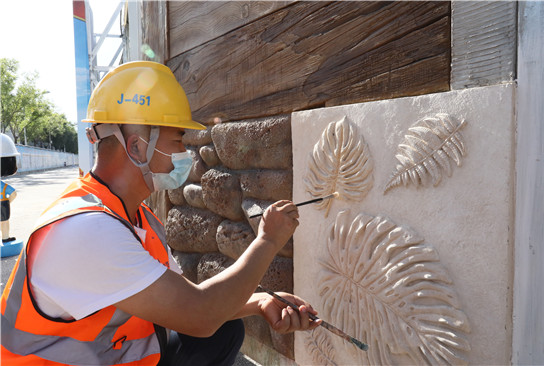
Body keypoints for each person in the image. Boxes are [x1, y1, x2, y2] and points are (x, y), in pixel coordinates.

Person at [1, 61, 320, 365]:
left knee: (222, 331)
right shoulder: (86, 231)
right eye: (178, 140)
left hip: (112, 355)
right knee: (212, 325)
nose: (185, 154)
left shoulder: (136, 218)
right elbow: (200, 315)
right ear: (138, 147)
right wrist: (267, 241)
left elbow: (184, 303)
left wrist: (261, 302)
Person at [1, 133, 20, 243]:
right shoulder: (3, 186)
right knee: (4, 222)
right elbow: (14, 194)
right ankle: (5, 238)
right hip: (2, 205)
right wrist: (8, 202)